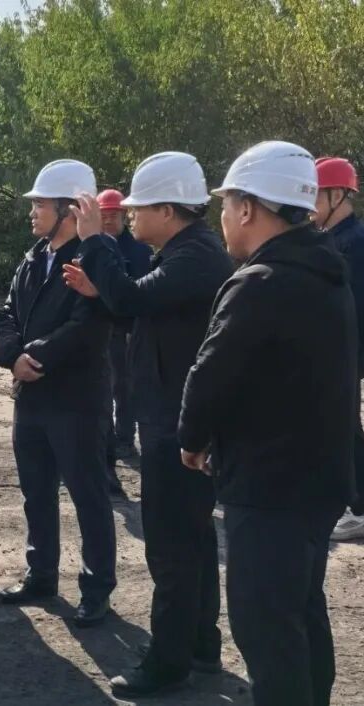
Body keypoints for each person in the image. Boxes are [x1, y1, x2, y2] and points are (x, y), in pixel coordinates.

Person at [180, 141, 356, 706]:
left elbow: (210, 374)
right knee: (301, 612)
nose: (223, 217)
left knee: (266, 627)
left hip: (269, 486)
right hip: (319, 482)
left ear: (249, 208)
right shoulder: (329, 272)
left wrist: (192, 439)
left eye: (226, 204)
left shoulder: (258, 282)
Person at [64, 152, 234, 696]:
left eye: (139, 209)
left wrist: (95, 241)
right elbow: (138, 307)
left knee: (171, 547)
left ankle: (169, 662)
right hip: (171, 418)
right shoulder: (185, 253)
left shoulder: (195, 256)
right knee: (193, 540)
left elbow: (135, 296)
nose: (132, 216)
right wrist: (103, 290)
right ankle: (199, 645)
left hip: (176, 426)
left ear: (167, 209)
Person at [0, 159, 116, 627]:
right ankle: (41, 574)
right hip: (32, 400)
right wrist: (11, 357)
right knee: (36, 492)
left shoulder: (96, 259)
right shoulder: (33, 258)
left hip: (76, 401)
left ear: (69, 210)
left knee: (89, 497)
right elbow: (8, 313)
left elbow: (88, 327)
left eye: (40, 204)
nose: (32, 212)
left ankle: (96, 589)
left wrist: (35, 357)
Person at [312, 157, 364, 542]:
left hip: (348, 348)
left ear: (338, 195)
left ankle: (359, 507)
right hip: (342, 349)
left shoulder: (353, 243)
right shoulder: (334, 239)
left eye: (315, 194)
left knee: (346, 426)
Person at [97, 188, 152, 462]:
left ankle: (125, 439)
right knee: (100, 387)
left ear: (123, 216)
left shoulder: (140, 250)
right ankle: (104, 439)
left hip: (125, 331)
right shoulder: (91, 248)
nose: (108, 221)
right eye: (103, 216)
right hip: (98, 329)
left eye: (113, 215)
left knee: (124, 387)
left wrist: (135, 329)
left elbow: (143, 293)